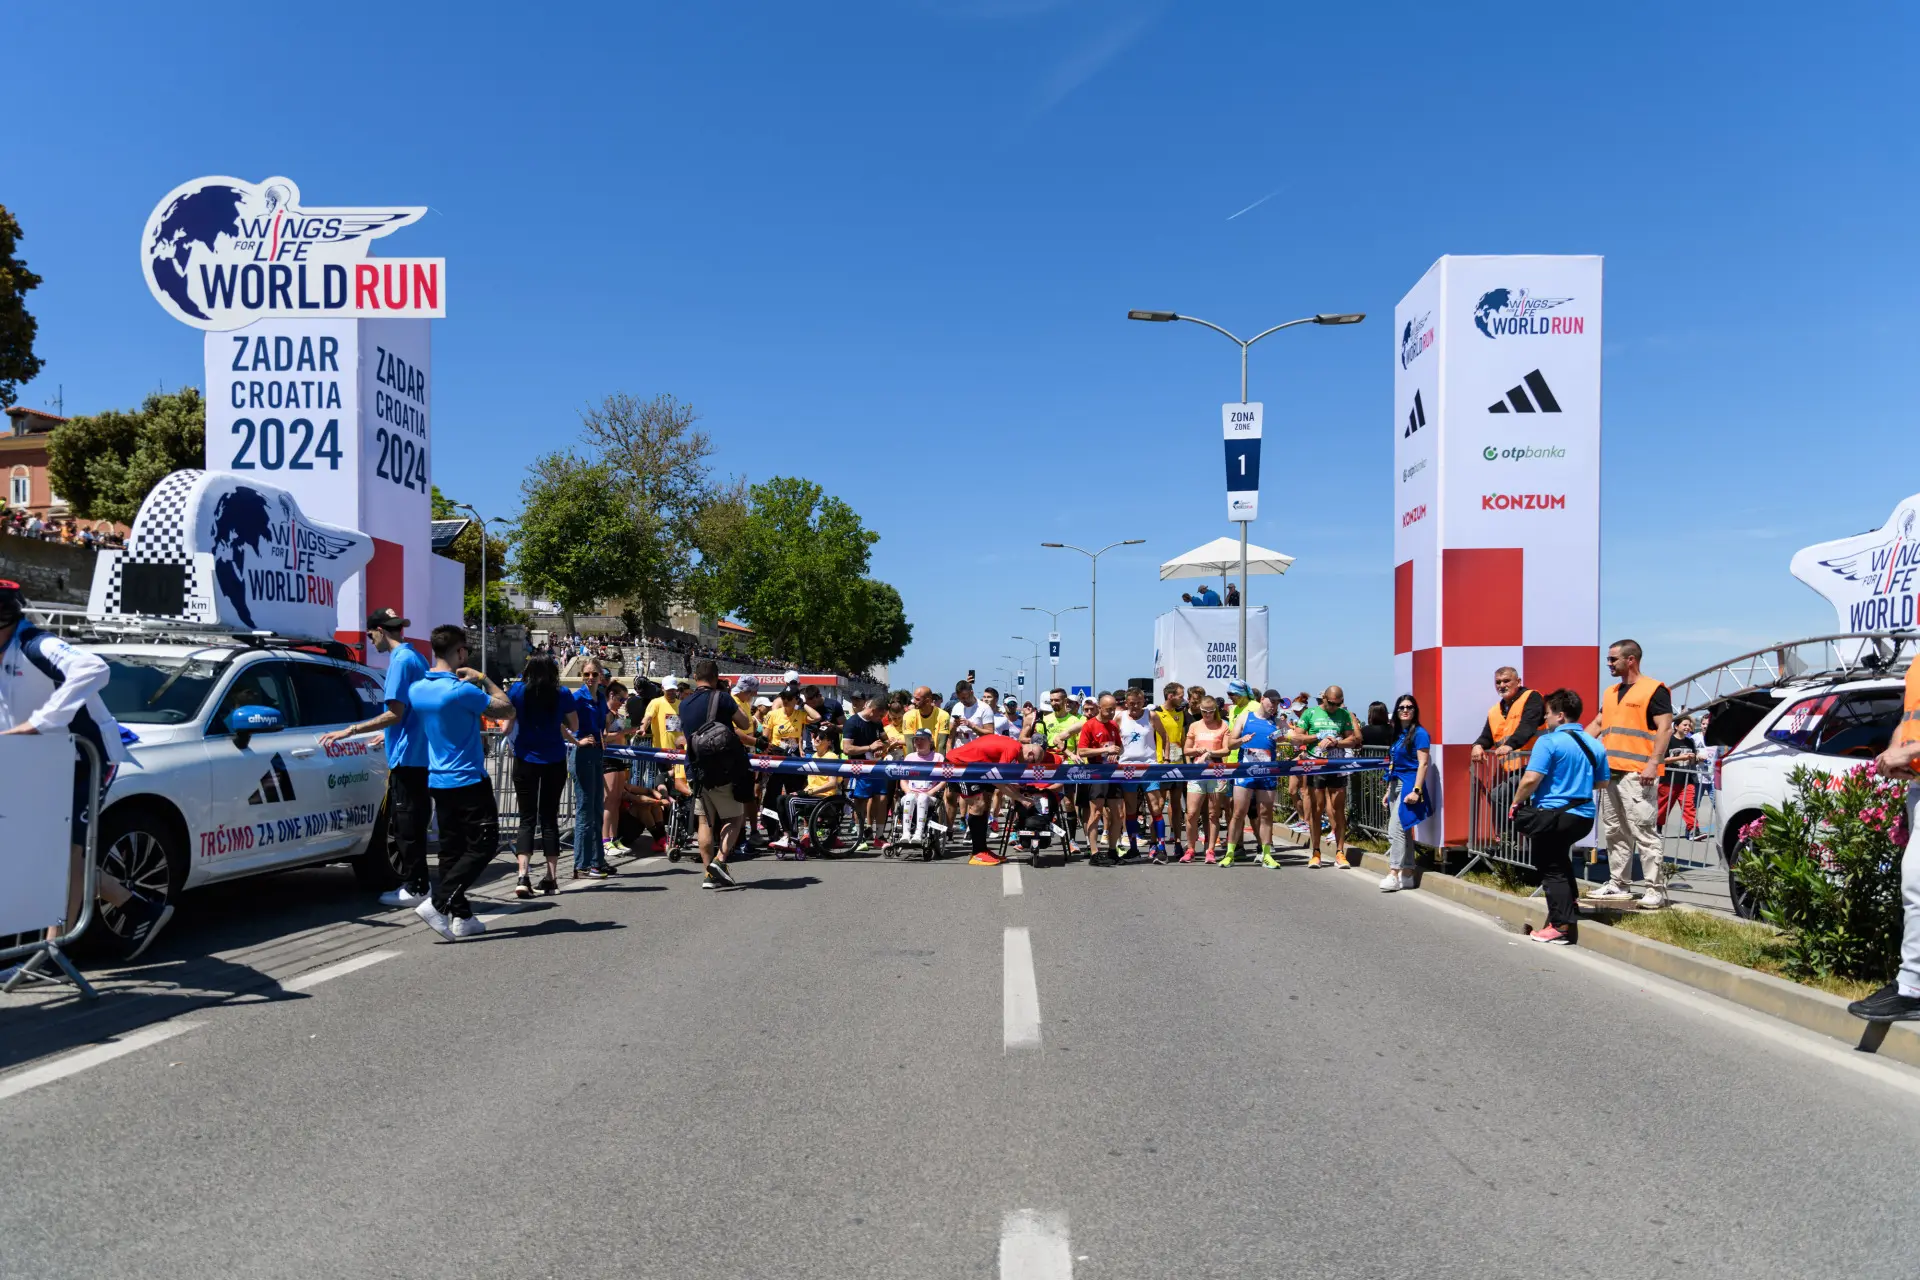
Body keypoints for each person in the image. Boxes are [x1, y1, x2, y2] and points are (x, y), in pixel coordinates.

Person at [0, 580, 165, 962]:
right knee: (39, 849)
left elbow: (93, 667)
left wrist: (40, 722)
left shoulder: (34, 644)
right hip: (37, 761)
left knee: (68, 852)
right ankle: (136, 906)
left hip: (84, 759)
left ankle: (53, 951)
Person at [408, 625, 515, 940]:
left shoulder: (417, 689)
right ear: (460, 652)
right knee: (484, 843)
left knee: (451, 850)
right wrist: (482, 678)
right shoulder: (461, 689)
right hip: (468, 777)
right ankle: (439, 903)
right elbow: (507, 708)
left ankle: (462, 916)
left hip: (438, 779)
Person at [320, 608, 432, 907]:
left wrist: (352, 730)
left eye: (371, 635)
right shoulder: (416, 657)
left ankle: (416, 887)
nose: (372, 642)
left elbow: (395, 713)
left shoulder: (400, 661)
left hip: (409, 757)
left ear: (381, 630)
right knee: (411, 822)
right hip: (416, 752)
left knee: (406, 824)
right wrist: (389, 732)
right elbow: (413, 710)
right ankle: (418, 883)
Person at [1509, 690, 1610, 945]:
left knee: (1550, 868)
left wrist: (1517, 801)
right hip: (1583, 816)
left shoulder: (1549, 741)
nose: (1546, 719)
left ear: (1560, 716)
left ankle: (1560, 926)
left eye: (1548, 714)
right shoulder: (1594, 743)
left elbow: (1532, 778)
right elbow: (1602, 782)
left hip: (1553, 815)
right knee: (1561, 860)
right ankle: (1570, 905)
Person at [1587, 638, 1674, 907]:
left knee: (1644, 830)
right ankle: (1618, 884)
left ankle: (1654, 889)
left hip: (1638, 774)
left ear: (1630, 660)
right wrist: (1573, 744)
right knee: (1615, 831)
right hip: (1611, 772)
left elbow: (1666, 729)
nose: (1609, 664)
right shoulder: (1611, 692)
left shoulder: (1653, 690)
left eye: (1613, 659)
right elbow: (1599, 723)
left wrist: (1652, 763)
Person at [505, 655, 576, 898]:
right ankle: (551, 877)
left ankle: (523, 876)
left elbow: (506, 725)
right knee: (549, 817)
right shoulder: (563, 693)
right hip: (554, 759)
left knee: (526, 819)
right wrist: (557, 722)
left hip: (525, 758)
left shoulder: (517, 691)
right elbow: (574, 724)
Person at [678, 659, 753, 888]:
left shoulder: (684, 703)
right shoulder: (722, 698)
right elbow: (745, 723)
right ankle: (719, 862)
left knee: (705, 821)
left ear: (696, 678)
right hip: (723, 769)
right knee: (735, 817)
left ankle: (708, 875)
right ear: (716, 677)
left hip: (696, 770)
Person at [944, 731, 1048, 865]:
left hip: (978, 766)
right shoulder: (1013, 749)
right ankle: (977, 853)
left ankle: (983, 849)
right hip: (959, 764)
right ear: (1030, 754)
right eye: (1031, 763)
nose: (1027, 766)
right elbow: (998, 780)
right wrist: (1021, 799)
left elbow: (1000, 780)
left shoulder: (1014, 748)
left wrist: (1018, 795)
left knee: (986, 802)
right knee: (978, 804)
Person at [1289, 684, 1362, 868]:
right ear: (1324, 699)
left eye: (1338, 704)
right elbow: (1297, 737)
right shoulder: (1310, 713)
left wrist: (1336, 742)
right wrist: (1317, 738)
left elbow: (1353, 740)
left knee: (1338, 809)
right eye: (1331, 703)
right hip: (1316, 766)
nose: (1334, 707)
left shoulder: (1344, 715)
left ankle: (1340, 852)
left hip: (1336, 767)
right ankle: (1316, 852)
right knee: (1317, 808)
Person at [1472, 667, 1545, 818]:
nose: (1502, 685)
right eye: (1498, 682)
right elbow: (1487, 735)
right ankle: (1513, 839)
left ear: (1518, 682)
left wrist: (1510, 745)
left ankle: (1509, 839)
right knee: (1520, 807)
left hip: (1535, 765)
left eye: (1506, 681)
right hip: (1514, 770)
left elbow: (1527, 726)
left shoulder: (1532, 697)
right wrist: (1478, 745)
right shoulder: (1495, 711)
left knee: (1499, 796)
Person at [1227, 689, 1285, 868]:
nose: (1274, 706)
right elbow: (1230, 743)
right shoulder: (1245, 717)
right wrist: (1241, 740)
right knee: (1238, 813)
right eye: (1271, 702)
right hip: (1246, 773)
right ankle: (1230, 853)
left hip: (1267, 774)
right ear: (1262, 700)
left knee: (1266, 814)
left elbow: (1293, 738)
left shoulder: (1277, 722)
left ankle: (1266, 854)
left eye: (1276, 703)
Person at [1380, 695, 1431, 892]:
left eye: (1409, 707)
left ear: (1415, 710)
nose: (1405, 710)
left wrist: (1417, 791)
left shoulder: (1420, 733)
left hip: (1409, 785)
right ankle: (1408, 873)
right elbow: (1395, 764)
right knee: (1404, 831)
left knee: (1395, 830)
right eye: (1401, 707)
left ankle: (1394, 872)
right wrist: (1388, 790)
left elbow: (1423, 763)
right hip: (1395, 784)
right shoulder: (1398, 734)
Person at [570, 660, 615, 879]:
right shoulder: (577, 697)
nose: (590, 677)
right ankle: (582, 863)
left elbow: (604, 722)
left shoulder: (599, 699)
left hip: (597, 753)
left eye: (594, 674)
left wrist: (604, 732)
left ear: (600, 677)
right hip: (583, 755)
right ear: (581, 675)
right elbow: (560, 720)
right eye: (587, 674)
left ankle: (598, 861)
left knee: (597, 808)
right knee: (585, 810)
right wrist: (576, 741)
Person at [1112, 686, 1167, 861]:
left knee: (1156, 807)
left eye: (1138, 703)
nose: (1135, 707)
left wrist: (1164, 759)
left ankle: (1160, 846)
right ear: (1126, 703)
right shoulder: (1120, 717)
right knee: (1131, 809)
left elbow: (1164, 736)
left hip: (1149, 766)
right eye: (1131, 704)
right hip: (1127, 768)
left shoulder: (1151, 715)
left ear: (1143, 702)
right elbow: (1112, 738)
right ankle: (1134, 848)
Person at [1182, 697, 1232, 863]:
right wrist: (1197, 750)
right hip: (1197, 773)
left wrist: (1211, 752)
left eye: (1210, 712)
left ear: (1215, 711)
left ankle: (1210, 849)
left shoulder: (1223, 725)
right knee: (1191, 813)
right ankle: (1190, 848)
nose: (1207, 715)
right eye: (1204, 712)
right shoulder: (1195, 725)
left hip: (1216, 773)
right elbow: (1186, 750)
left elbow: (1226, 750)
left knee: (1213, 814)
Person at [1078, 694, 1125, 865]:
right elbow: (1082, 751)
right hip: (1096, 772)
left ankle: (1112, 850)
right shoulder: (1089, 725)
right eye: (1108, 709)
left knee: (1119, 814)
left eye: (1113, 709)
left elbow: (1119, 748)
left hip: (1113, 772)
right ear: (1099, 707)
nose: (1111, 712)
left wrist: (1116, 752)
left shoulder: (1113, 725)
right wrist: (1103, 751)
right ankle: (1094, 852)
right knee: (1096, 812)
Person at [842, 697, 891, 851]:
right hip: (859, 768)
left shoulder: (877, 723)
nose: (880, 719)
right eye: (879, 716)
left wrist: (883, 747)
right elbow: (847, 749)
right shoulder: (852, 723)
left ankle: (879, 836)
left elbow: (885, 740)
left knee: (882, 798)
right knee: (860, 801)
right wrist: (869, 747)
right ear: (873, 710)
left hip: (877, 767)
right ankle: (860, 836)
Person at [1153, 682, 1190, 858]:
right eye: (1180, 695)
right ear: (1170, 696)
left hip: (1178, 764)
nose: (1183, 698)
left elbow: (1183, 739)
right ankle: (1155, 843)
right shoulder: (1156, 713)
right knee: (1158, 805)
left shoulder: (1181, 713)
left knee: (1176, 806)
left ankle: (1177, 842)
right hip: (1160, 765)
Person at [1658, 714, 1702, 838]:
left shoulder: (1690, 741)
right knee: (1664, 806)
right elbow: (1662, 759)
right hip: (1669, 779)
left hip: (1687, 779)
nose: (1687, 727)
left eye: (1689, 725)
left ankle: (1693, 829)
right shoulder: (1668, 740)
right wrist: (1680, 757)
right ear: (1676, 726)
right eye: (1685, 725)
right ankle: (1658, 826)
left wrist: (1697, 759)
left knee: (1689, 805)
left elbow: (1692, 760)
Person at [900, 729, 944, 845]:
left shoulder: (938, 757)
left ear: (930, 741)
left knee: (923, 798)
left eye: (922, 739)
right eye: (916, 740)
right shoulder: (909, 757)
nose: (918, 742)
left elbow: (944, 780)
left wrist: (932, 791)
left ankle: (918, 834)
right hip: (911, 793)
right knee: (910, 797)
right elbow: (903, 780)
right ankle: (906, 833)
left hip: (930, 795)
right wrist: (908, 791)